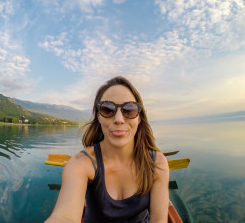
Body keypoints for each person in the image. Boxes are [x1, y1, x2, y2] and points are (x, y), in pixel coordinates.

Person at [45, 76, 169, 223]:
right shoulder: (80, 164)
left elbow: (158, 220)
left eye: (129, 110)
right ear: (99, 116)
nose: (118, 119)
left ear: (139, 118)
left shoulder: (157, 163)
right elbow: (64, 217)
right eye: (107, 109)